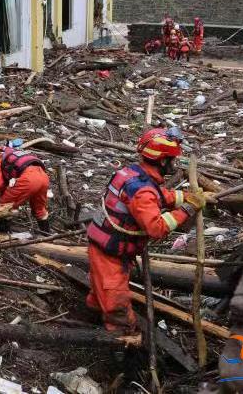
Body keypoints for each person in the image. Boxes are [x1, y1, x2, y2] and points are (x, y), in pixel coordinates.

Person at [85, 128, 205, 333]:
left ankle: (92, 320)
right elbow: (156, 228)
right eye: (172, 160)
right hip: (110, 256)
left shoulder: (133, 173)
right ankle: (120, 345)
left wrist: (184, 197)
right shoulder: (142, 190)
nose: (173, 165)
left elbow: (158, 196)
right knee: (116, 307)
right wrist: (188, 209)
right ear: (162, 160)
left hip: (106, 248)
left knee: (100, 293)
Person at [0, 138, 50, 233]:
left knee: (5, 206)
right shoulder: (10, 152)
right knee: (39, 209)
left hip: (28, 179)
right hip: (43, 176)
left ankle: (4, 236)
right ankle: (47, 235)